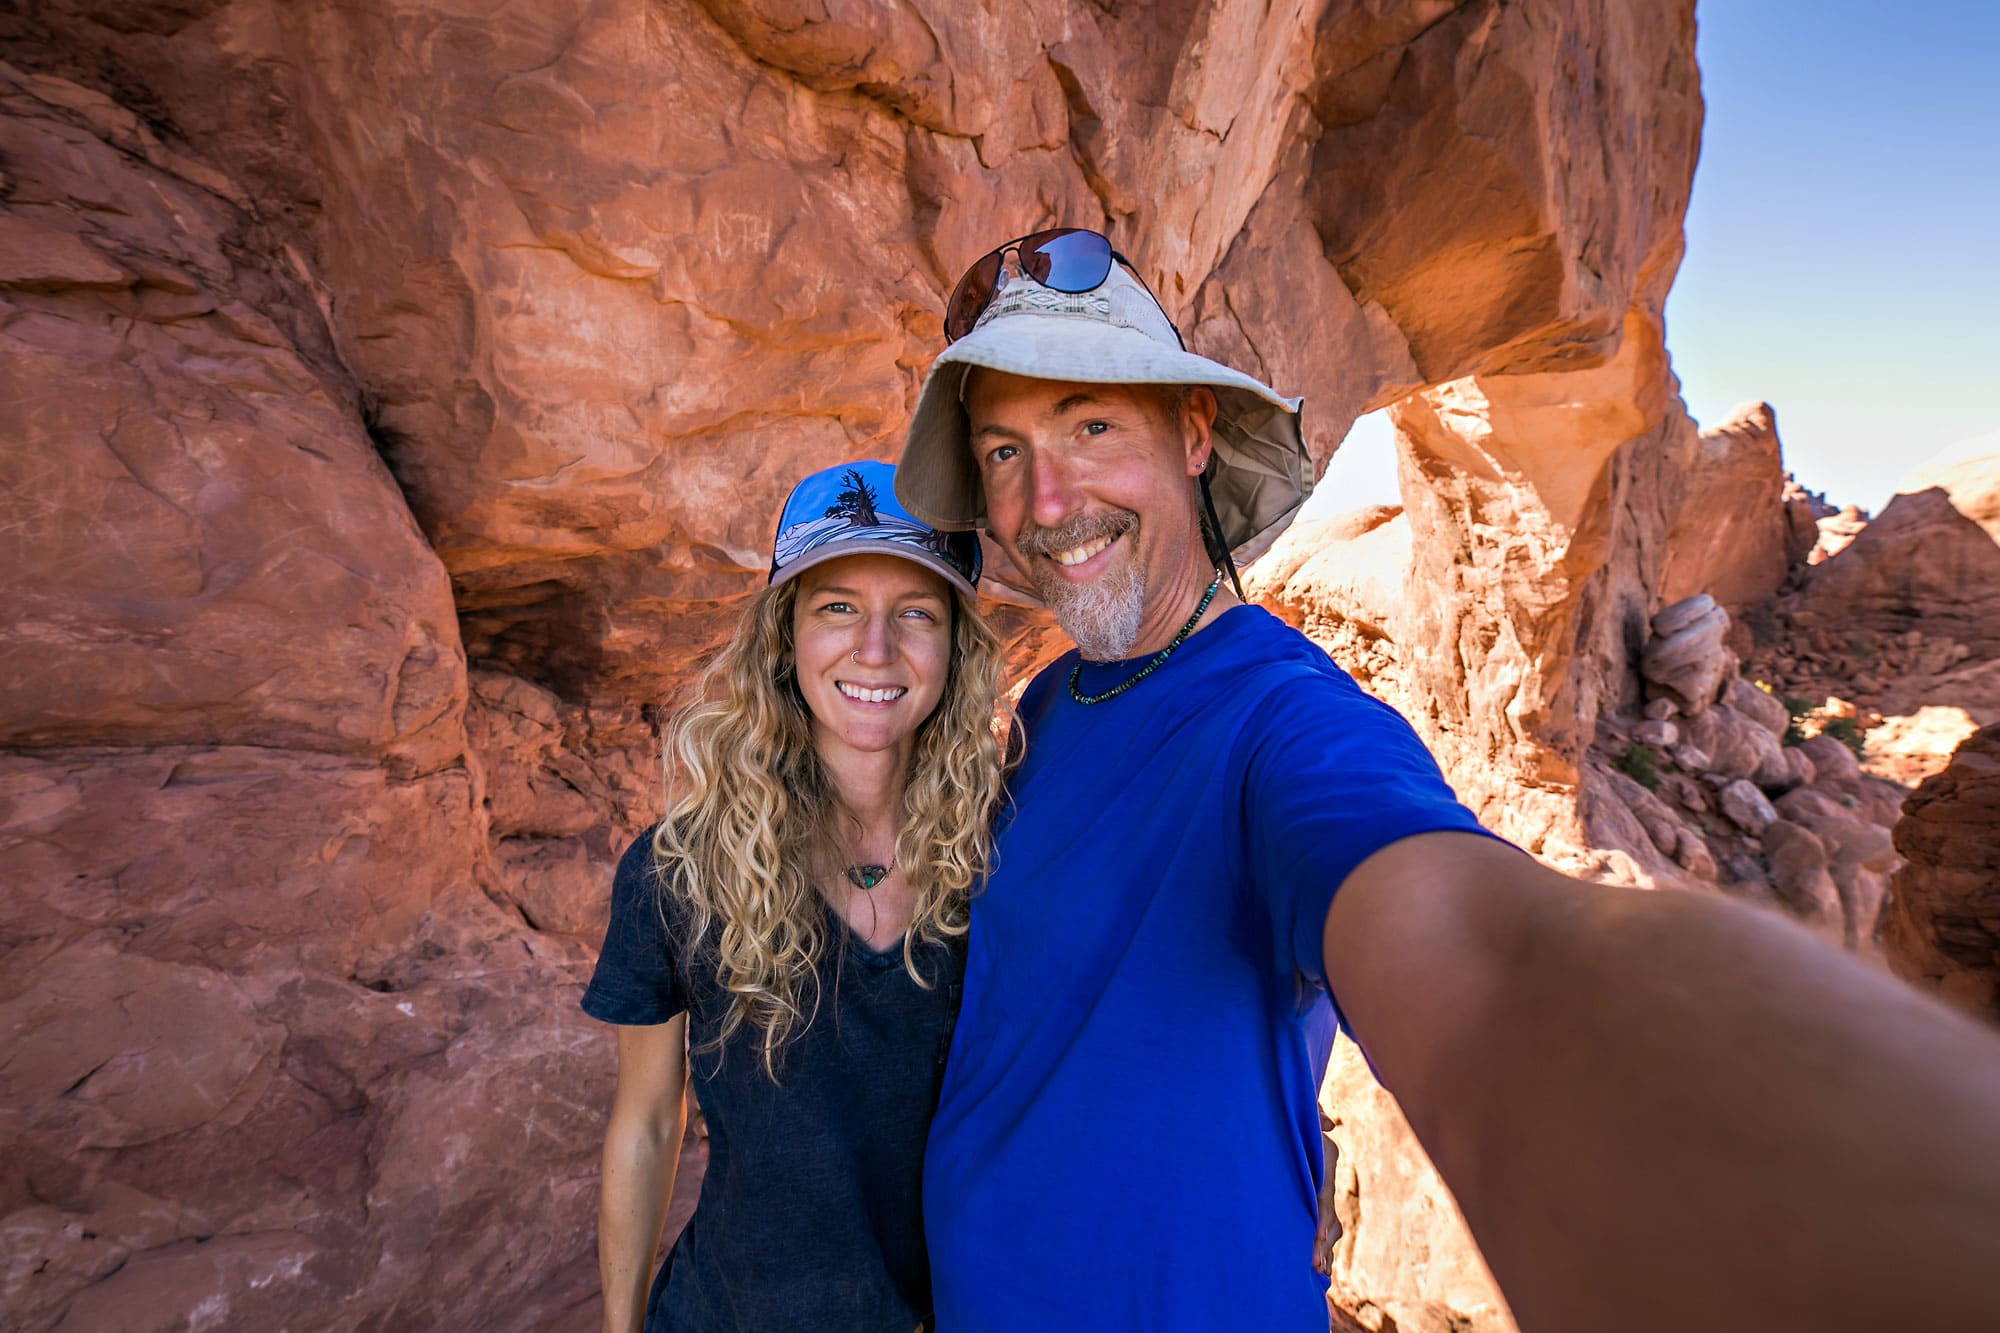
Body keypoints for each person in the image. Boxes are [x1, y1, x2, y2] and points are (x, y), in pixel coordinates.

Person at [893, 228, 2000, 1332]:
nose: (1045, 500)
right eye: (1002, 452)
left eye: (1090, 425)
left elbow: (1485, 952)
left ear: (1192, 434)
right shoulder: (1055, 705)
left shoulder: (1284, 722)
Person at [583, 459, 1006, 1333]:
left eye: (917, 613)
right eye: (838, 606)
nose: (876, 648)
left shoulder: (1002, 861)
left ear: (955, 649)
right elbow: (650, 1121)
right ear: (785, 635)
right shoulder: (680, 872)